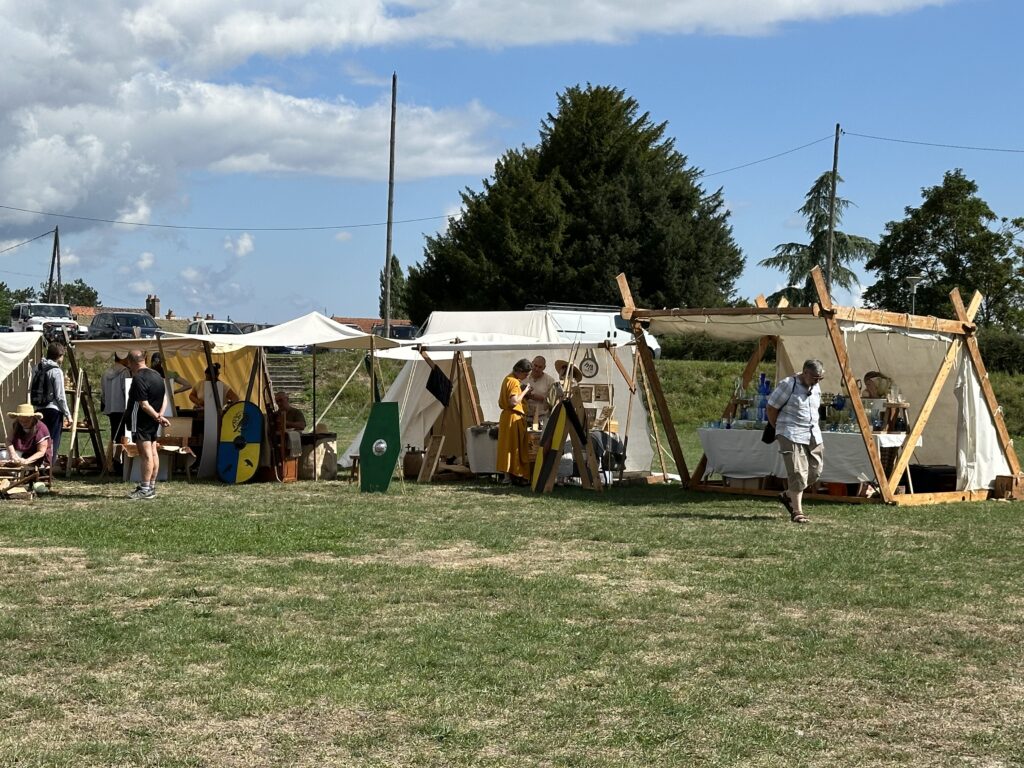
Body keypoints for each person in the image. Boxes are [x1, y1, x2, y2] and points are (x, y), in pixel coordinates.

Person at [766, 359, 825, 524]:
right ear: (805, 372)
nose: (817, 381)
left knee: (815, 472)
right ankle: (797, 511)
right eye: (814, 377)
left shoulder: (815, 385)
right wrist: (778, 428)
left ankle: (787, 494)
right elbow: (771, 408)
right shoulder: (787, 384)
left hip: (813, 433)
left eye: (820, 378)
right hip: (790, 433)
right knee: (798, 473)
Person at [125, 349, 169, 500]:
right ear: (144, 359)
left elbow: (143, 405)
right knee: (153, 452)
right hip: (153, 420)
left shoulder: (138, 378)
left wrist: (158, 416)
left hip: (142, 420)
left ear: (130, 362)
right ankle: (151, 486)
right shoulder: (157, 375)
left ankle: (144, 488)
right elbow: (165, 398)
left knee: (145, 455)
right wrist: (159, 416)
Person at [29, 342, 72, 463]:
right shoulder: (56, 371)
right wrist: (68, 415)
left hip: (39, 409)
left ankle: (38, 466)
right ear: (59, 355)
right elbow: (60, 396)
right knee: (52, 440)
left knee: (40, 440)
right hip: (53, 409)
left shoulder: (37, 367)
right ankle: (49, 468)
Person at [496, 358, 533, 485]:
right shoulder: (513, 382)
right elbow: (513, 402)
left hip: (507, 417)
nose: (526, 377)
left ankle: (508, 476)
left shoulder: (508, 379)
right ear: (519, 371)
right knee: (515, 447)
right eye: (525, 374)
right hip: (513, 417)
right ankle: (515, 476)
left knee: (507, 447)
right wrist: (525, 391)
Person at [100, 353, 130, 474]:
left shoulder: (106, 372)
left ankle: (114, 462)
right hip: (122, 408)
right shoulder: (125, 372)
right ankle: (119, 464)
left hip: (111, 408)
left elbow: (103, 392)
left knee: (115, 436)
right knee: (123, 437)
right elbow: (126, 390)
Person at [524, 356, 556, 426]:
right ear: (531, 364)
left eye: (540, 367)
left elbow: (553, 403)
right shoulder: (523, 377)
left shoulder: (550, 381)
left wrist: (541, 398)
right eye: (535, 365)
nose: (536, 369)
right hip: (524, 418)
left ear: (544, 367)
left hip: (542, 419)